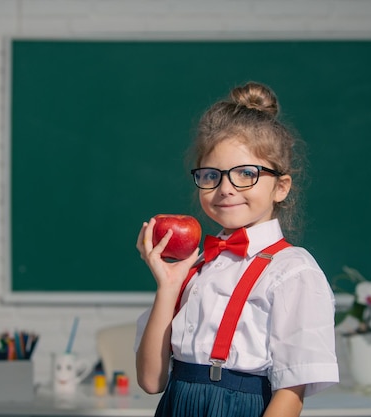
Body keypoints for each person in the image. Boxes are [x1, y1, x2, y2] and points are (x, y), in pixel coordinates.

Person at [135, 81, 338, 417]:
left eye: (246, 173)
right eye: (211, 175)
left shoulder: (293, 271)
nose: (226, 188)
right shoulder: (197, 266)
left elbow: (290, 396)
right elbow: (151, 381)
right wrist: (169, 286)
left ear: (281, 187)